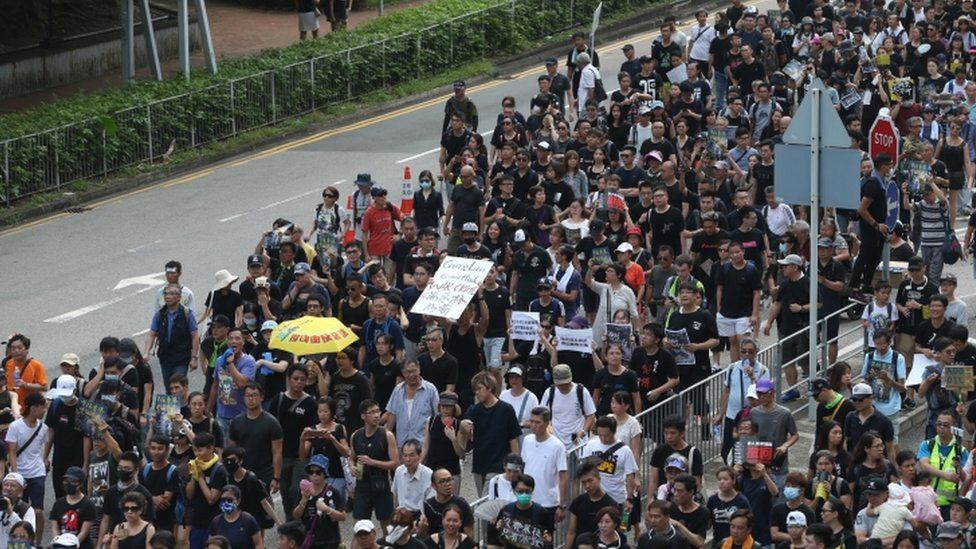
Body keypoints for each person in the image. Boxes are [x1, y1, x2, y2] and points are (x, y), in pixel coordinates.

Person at [457, 372, 521, 496]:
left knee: (489, 499)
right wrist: (463, 426)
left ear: (489, 388)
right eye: (475, 389)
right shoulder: (474, 410)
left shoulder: (506, 409)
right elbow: (465, 430)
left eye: (479, 389)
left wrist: (515, 465)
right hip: (479, 465)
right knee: (483, 500)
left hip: (499, 465)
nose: (476, 392)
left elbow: (513, 439)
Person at [349, 399, 399, 532]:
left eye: (378, 411)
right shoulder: (356, 435)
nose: (377, 415)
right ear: (363, 416)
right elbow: (351, 458)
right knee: (359, 525)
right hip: (362, 483)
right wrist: (351, 467)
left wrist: (373, 462)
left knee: (387, 525)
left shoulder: (386, 435)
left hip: (380, 483)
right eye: (372, 412)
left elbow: (395, 463)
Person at [5, 391, 47, 543]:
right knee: (18, 509)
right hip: (20, 474)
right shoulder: (15, 426)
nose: (44, 411)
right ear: (34, 408)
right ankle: (17, 541)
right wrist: (16, 475)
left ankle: (37, 542)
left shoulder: (43, 428)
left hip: (37, 473)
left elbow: (40, 448)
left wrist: (45, 460)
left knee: (38, 511)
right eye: (43, 407)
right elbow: (12, 452)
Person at [228, 383, 283, 490]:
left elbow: (277, 452)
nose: (251, 399)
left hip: (264, 474)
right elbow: (232, 450)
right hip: (241, 472)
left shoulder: (272, 423)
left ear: (261, 397)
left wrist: (276, 478)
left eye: (254, 395)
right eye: (248, 395)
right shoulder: (236, 422)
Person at [146, 284, 201, 388]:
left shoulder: (187, 314)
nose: (168, 296)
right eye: (166, 294)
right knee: (169, 388)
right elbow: (152, 334)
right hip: (165, 357)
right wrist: (146, 352)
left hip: (181, 358)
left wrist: (194, 357)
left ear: (179, 297)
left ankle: (182, 403)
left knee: (177, 385)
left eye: (172, 294)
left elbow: (194, 336)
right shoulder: (159, 314)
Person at [520, 407, 568, 522]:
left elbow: (563, 477)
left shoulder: (557, 446)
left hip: (548, 502)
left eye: (537, 422)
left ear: (547, 423)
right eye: (531, 421)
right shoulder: (527, 440)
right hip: (527, 500)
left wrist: (561, 505)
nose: (533, 425)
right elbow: (523, 468)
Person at [293, 454, 346, 549]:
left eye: (318, 472)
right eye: (311, 472)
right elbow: (296, 515)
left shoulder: (333, 492)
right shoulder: (304, 492)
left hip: (330, 540)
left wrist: (327, 509)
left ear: (324, 473)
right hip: (310, 539)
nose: (314, 475)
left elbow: (342, 517)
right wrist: (303, 500)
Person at [488, 474, 556, 548]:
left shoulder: (542, 513)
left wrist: (547, 540)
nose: (524, 494)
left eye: (527, 491)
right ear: (514, 491)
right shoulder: (506, 510)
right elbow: (496, 540)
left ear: (532, 490)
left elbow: (549, 539)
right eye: (520, 491)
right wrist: (499, 529)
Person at [185, 432, 228, 549]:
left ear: (211, 448)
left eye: (200, 450)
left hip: (214, 523)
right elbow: (189, 495)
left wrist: (200, 478)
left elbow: (211, 499)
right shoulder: (195, 465)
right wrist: (194, 475)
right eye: (195, 451)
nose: (197, 454)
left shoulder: (219, 470)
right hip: (197, 521)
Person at [49, 466, 96, 548]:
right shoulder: (58, 503)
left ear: (81, 484)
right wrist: (58, 542)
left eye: (73, 482)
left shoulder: (88, 505)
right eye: (66, 481)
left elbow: (84, 532)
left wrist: (72, 545)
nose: (68, 484)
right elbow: (55, 528)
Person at [421, 468, 474, 539]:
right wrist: (422, 529)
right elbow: (421, 537)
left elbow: (470, 535)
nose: (448, 484)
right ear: (433, 485)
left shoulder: (462, 504)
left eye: (449, 480)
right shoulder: (427, 506)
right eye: (442, 481)